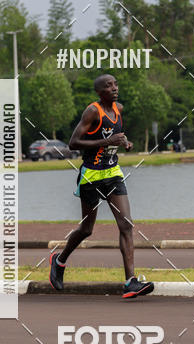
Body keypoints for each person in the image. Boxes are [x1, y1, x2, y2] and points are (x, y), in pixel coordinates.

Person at [49, 74, 154, 299]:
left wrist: (124, 142)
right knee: (86, 229)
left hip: (113, 173)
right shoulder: (92, 112)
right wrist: (107, 142)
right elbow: (73, 143)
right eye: (108, 86)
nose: (114, 88)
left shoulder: (119, 109)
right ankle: (59, 261)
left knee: (126, 224)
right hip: (91, 176)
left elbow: (116, 136)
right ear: (99, 92)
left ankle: (131, 282)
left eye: (115, 84)